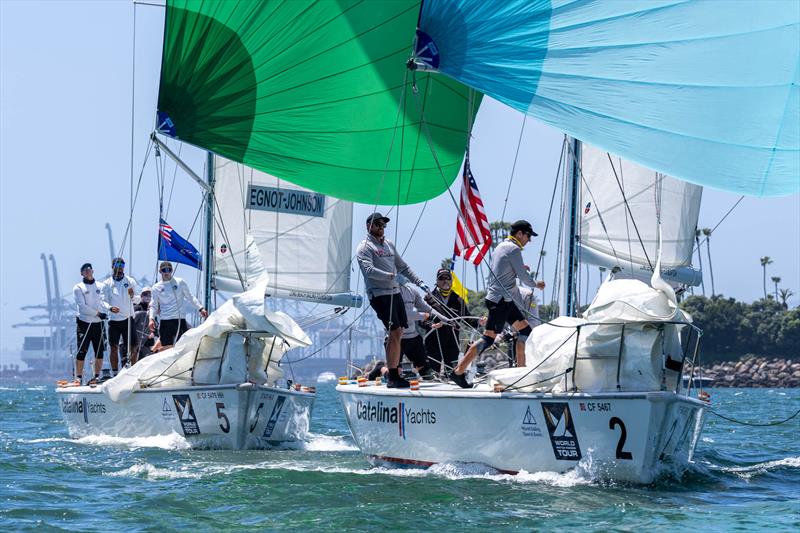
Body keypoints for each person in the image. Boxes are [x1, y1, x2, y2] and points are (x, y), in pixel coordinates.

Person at [451, 220, 545, 388]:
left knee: (525, 331)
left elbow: (505, 271)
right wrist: (537, 284)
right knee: (487, 339)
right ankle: (458, 372)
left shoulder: (502, 246)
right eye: (528, 236)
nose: (529, 240)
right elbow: (524, 278)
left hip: (504, 301)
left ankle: (521, 372)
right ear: (519, 234)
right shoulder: (514, 248)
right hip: (499, 302)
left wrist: (519, 269)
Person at [356, 212, 429, 388]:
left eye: (383, 225)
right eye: (378, 224)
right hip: (380, 294)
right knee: (394, 331)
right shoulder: (364, 247)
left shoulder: (388, 245)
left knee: (399, 331)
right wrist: (392, 277)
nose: (381, 228)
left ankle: (394, 374)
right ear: (369, 226)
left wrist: (419, 282)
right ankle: (393, 376)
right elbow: (369, 271)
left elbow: (403, 267)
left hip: (395, 293)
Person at [424, 268, 482, 373]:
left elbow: (467, 318)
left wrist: (479, 322)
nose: (445, 281)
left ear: (452, 281)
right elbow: (421, 318)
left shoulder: (458, 300)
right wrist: (430, 324)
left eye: (448, 278)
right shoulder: (429, 298)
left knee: (452, 371)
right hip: (433, 339)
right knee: (433, 371)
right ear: (437, 282)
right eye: (441, 278)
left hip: (452, 339)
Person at [148, 261, 208, 347]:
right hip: (165, 321)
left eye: (168, 270)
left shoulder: (180, 282)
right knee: (166, 348)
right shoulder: (156, 287)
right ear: (160, 271)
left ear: (171, 271)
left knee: (182, 347)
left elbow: (190, 297)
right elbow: (153, 305)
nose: (166, 272)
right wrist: (151, 319)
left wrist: (200, 308)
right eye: (164, 270)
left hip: (179, 320)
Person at [72, 263, 109, 384]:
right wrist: (98, 314)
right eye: (85, 270)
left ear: (93, 271)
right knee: (82, 350)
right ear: (81, 273)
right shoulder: (78, 287)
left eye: (89, 270)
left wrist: (107, 311)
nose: (88, 272)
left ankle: (96, 376)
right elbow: (82, 307)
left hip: (98, 324)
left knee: (99, 350)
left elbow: (104, 302)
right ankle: (79, 377)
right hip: (84, 323)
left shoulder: (100, 286)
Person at [397, 275, 440, 380]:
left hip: (413, 337)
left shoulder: (412, 291)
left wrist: (439, 317)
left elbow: (424, 306)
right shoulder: (390, 293)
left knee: (425, 368)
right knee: (394, 371)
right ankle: (381, 370)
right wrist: (423, 316)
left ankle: (428, 380)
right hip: (396, 337)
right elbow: (402, 314)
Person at [101, 257, 139, 373]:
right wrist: (110, 308)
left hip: (128, 318)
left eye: (122, 267)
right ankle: (115, 372)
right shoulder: (107, 283)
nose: (120, 269)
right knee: (113, 347)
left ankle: (133, 372)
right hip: (114, 320)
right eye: (117, 267)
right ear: (113, 267)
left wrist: (132, 296)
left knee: (133, 347)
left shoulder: (130, 281)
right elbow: (103, 301)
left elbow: (138, 300)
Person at [133, 287, 155, 361]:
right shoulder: (136, 308)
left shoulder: (153, 310)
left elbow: (155, 326)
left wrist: (154, 333)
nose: (148, 297)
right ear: (141, 296)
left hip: (147, 343)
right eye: (145, 294)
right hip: (136, 342)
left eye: (150, 295)